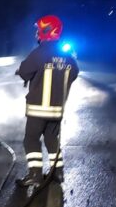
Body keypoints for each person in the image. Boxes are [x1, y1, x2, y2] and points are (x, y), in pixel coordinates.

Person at [14, 15, 78, 187]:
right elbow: (74, 73)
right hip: (57, 109)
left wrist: (20, 71)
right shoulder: (69, 57)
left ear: (46, 30)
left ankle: (35, 174)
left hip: (38, 109)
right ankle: (57, 173)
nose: (36, 33)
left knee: (31, 140)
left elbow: (25, 71)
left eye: (38, 30)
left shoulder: (39, 52)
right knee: (51, 139)